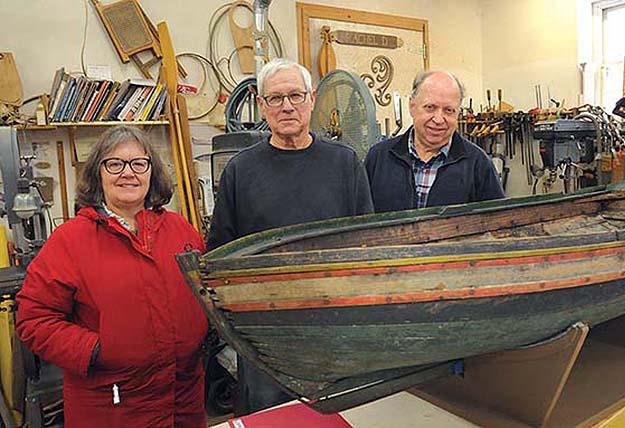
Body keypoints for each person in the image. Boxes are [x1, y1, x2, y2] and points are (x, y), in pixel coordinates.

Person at [206, 58, 374, 414]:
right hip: (266, 334)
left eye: (295, 95)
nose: (286, 106)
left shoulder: (344, 163)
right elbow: (220, 255)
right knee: (271, 417)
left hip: (334, 328)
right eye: (275, 98)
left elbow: (366, 246)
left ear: (312, 99)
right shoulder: (240, 170)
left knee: (334, 415)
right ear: (262, 105)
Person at [16, 126, 208, 427]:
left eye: (138, 163)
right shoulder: (70, 240)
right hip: (113, 404)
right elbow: (34, 320)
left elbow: (206, 292)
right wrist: (96, 350)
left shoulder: (181, 230)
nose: (127, 173)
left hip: (183, 397)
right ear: (98, 174)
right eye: (114, 163)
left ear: (151, 172)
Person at [364, 70, 505, 213]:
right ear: (412, 106)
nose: (438, 119)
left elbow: (498, 223)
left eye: (448, 110)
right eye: (430, 108)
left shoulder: (478, 164)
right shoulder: (378, 157)